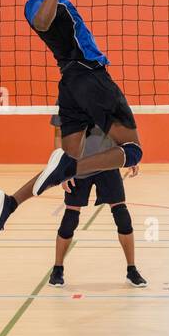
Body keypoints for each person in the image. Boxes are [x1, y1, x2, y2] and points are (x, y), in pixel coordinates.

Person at [0, 0, 143, 242]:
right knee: (133, 151)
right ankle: (66, 168)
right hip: (90, 77)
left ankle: (10, 202)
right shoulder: (35, 6)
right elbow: (43, 22)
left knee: (67, 167)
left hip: (71, 86)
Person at [48, 122, 147, 289]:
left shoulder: (109, 96)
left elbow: (119, 128)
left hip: (108, 163)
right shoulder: (67, 98)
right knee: (69, 220)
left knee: (122, 217)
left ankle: (132, 270)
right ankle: (57, 269)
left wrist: (128, 155)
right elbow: (59, 135)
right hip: (78, 166)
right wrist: (62, 170)